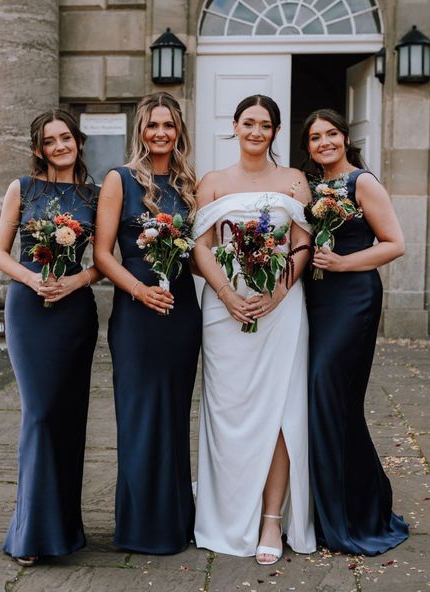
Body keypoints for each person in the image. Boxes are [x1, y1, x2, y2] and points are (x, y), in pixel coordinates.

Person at [192, 94, 316, 564]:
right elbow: (201, 246)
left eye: (265, 125)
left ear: (276, 132)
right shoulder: (213, 182)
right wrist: (227, 294)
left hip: (281, 305)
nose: (256, 131)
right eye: (249, 123)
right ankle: (224, 510)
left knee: (280, 408)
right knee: (228, 410)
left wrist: (279, 292)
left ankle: (270, 519)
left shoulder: (294, 181)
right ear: (235, 126)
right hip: (226, 308)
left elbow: (303, 241)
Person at [93, 92, 201, 554]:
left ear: (179, 132)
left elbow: (196, 258)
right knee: (139, 415)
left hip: (180, 312)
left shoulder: (188, 184)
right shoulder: (119, 180)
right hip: (137, 313)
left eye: (169, 126)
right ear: (140, 130)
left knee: (175, 415)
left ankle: (175, 522)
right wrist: (139, 291)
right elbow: (102, 253)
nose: (160, 133)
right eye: (153, 125)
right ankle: (140, 527)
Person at [0, 109, 101, 565]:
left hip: (74, 312)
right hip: (29, 309)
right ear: (39, 148)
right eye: (50, 141)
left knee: (68, 418)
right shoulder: (23, 188)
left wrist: (75, 282)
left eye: (66, 138)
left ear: (78, 141)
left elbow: (105, 262)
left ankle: (64, 530)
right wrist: (33, 280)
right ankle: (30, 533)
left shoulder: (95, 195)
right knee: (38, 414)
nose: (60, 146)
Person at [301, 108, 409, 555]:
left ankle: (358, 513)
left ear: (345, 138)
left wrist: (344, 262)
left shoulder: (362, 182)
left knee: (328, 388)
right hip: (317, 300)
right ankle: (347, 504)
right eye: (314, 137)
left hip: (354, 298)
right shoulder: (309, 187)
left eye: (330, 134)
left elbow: (395, 244)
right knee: (329, 402)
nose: (323, 142)